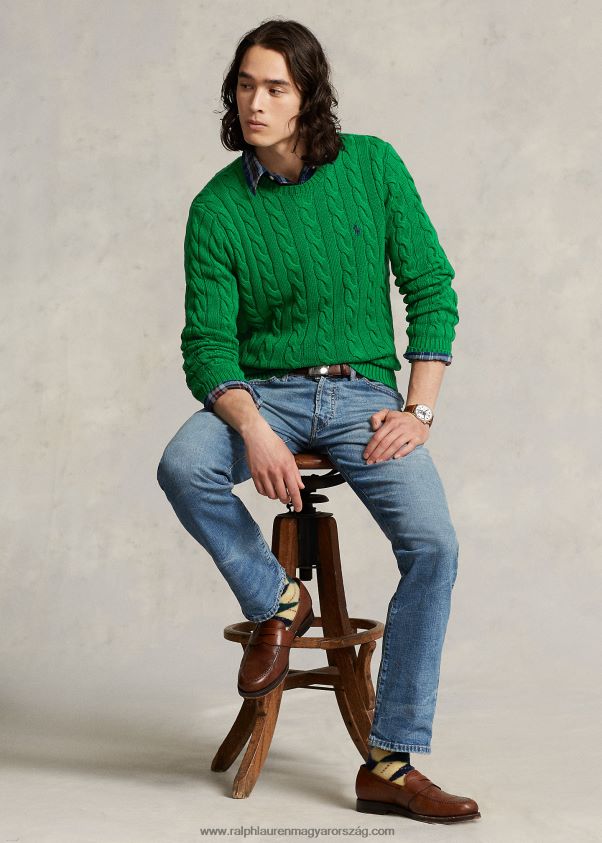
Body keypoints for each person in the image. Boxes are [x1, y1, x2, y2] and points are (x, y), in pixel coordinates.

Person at [157, 18, 480, 824]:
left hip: (360, 395)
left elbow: (430, 287)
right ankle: (278, 599)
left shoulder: (373, 165)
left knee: (434, 545)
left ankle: (390, 759)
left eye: (275, 87)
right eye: (245, 85)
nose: (256, 102)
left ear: (308, 97)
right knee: (183, 465)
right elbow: (207, 346)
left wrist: (420, 408)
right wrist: (253, 427)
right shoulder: (217, 207)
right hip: (260, 393)